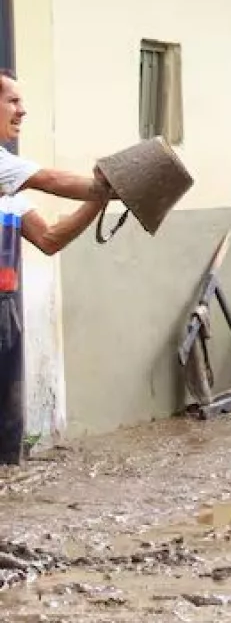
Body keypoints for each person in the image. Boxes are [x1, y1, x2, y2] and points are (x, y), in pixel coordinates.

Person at [0, 70, 115, 465]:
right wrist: (112, 186)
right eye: (12, 101)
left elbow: (49, 239)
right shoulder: (4, 167)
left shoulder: (7, 188)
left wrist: (99, 202)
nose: (23, 110)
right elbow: (50, 180)